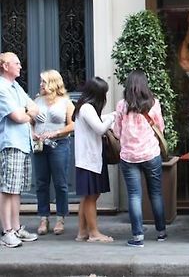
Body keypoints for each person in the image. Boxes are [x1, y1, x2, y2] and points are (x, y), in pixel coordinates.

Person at [114, 70, 167, 247]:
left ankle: (138, 237)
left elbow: (116, 131)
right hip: (151, 154)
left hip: (129, 157)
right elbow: (161, 127)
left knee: (135, 196)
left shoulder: (122, 105)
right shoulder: (153, 103)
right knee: (156, 193)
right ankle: (161, 232)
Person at [0, 52, 39, 248]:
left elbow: (34, 108)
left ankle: (15, 228)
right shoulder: (2, 87)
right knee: (7, 189)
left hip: (23, 144)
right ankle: (6, 231)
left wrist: (27, 112)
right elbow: (18, 117)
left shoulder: (16, 87)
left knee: (16, 190)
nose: (21, 66)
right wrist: (27, 112)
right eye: (16, 63)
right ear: (5, 66)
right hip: (11, 144)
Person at [32, 70, 75, 236]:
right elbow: (29, 122)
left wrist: (56, 133)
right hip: (40, 145)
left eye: (44, 82)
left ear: (53, 83)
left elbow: (72, 125)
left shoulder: (66, 102)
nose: (41, 84)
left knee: (60, 183)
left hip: (59, 144)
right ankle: (44, 217)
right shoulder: (37, 101)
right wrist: (32, 133)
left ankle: (60, 217)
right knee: (41, 182)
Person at [73, 76, 116, 243]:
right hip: (89, 158)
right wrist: (112, 118)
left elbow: (96, 123)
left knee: (87, 196)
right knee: (91, 196)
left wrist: (107, 116)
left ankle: (82, 231)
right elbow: (99, 129)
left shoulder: (83, 107)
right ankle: (94, 233)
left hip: (88, 158)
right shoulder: (87, 108)